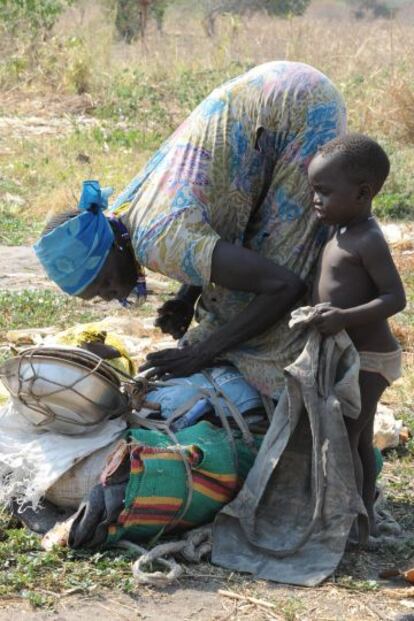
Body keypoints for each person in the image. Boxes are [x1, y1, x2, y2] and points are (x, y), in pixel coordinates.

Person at [34, 61, 347, 398]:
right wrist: (186, 296)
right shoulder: (122, 212)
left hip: (300, 107)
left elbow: (284, 285)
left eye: (105, 282)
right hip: (271, 90)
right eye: (99, 296)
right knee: (238, 293)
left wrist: (201, 352)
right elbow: (202, 222)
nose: (112, 295)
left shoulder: (158, 241)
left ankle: (318, 391)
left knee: (281, 312)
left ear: (110, 248)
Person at [308, 133, 406, 536]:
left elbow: (395, 298)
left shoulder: (368, 238)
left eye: (324, 192)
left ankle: (351, 523)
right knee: (360, 438)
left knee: (348, 439)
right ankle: (359, 519)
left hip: (371, 358)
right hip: (352, 354)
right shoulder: (339, 229)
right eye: (313, 190)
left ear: (363, 193)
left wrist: (344, 317)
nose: (316, 200)